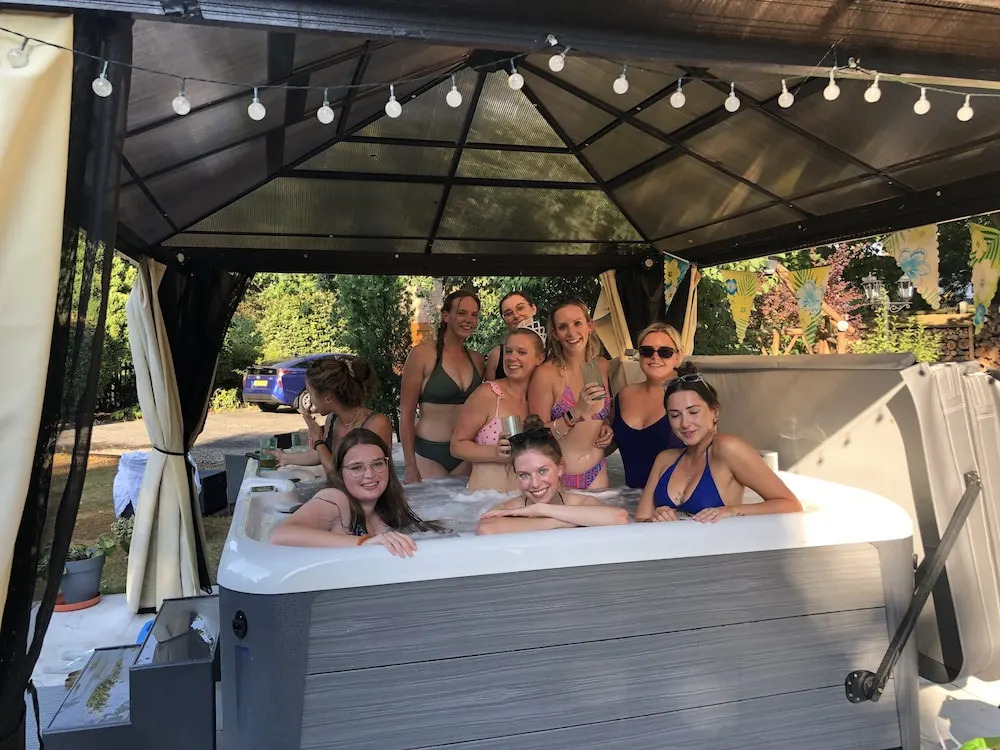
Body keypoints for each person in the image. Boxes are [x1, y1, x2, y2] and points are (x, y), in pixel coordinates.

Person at [635, 363, 802, 523]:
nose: (685, 423)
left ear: (714, 412)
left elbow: (791, 505)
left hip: (720, 543)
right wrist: (657, 518)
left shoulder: (728, 449)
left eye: (693, 412)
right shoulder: (665, 459)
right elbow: (640, 520)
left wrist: (732, 511)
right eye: (675, 415)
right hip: (671, 543)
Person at [270, 429, 440, 556]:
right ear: (340, 473)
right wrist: (363, 542)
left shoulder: (386, 509)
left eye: (377, 464)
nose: (370, 474)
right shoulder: (335, 499)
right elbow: (280, 535)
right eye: (356, 467)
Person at [476, 416, 628, 535]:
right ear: (515, 475)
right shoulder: (509, 509)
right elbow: (486, 528)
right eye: (524, 475)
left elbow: (619, 517)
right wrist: (559, 522)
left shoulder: (582, 501)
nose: (535, 483)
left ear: (560, 468)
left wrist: (541, 510)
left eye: (542, 471)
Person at [400, 289, 485, 484]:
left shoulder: (477, 360)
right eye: (462, 313)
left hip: (465, 453)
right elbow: (406, 413)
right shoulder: (422, 355)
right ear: (446, 316)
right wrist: (410, 466)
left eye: (474, 315)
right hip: (428, 453)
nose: (469, 320)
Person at [528, 297, 613, 490]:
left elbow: (599, 416)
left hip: (597, 470)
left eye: (577, 323)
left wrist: (606, 425)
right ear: (555, 333)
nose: (572, 332)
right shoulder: (546, 374)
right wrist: (576, 411)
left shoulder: (602, 365)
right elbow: (535, 435)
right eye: (563, 327)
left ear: (590, 326)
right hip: (558, 474)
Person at [451, 328, 546, 492]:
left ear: (540, 358)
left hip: (525, 499)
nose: (512, 358)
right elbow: (456, 446)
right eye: (508, 351)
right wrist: (494, 453)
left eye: (521, 352)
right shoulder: (488, 394)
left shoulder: (540, 401)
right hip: (483, 499)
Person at [272, 356, 393, 477]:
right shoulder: (332, 419)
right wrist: (284, 458)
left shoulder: (376, 424)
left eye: (311, 393)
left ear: (328, 398)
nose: (310, 400)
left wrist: (318, 440)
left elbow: (342, 475)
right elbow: (323, 455)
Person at [609, 323, 686, 488]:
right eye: (647, 351)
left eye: (665, 352)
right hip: (631, 495)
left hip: (674, 497)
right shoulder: (624, 395)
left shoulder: (690, 397)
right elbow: (607, 446)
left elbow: (710, 453)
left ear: (678, 356)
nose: (655, 357)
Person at [485, 291, 539, 380]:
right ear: (504, 319)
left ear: (533, 309)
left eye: (520, 308)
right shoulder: (497, 355)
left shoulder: (553, 349)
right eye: (509, 313)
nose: (516, 316)